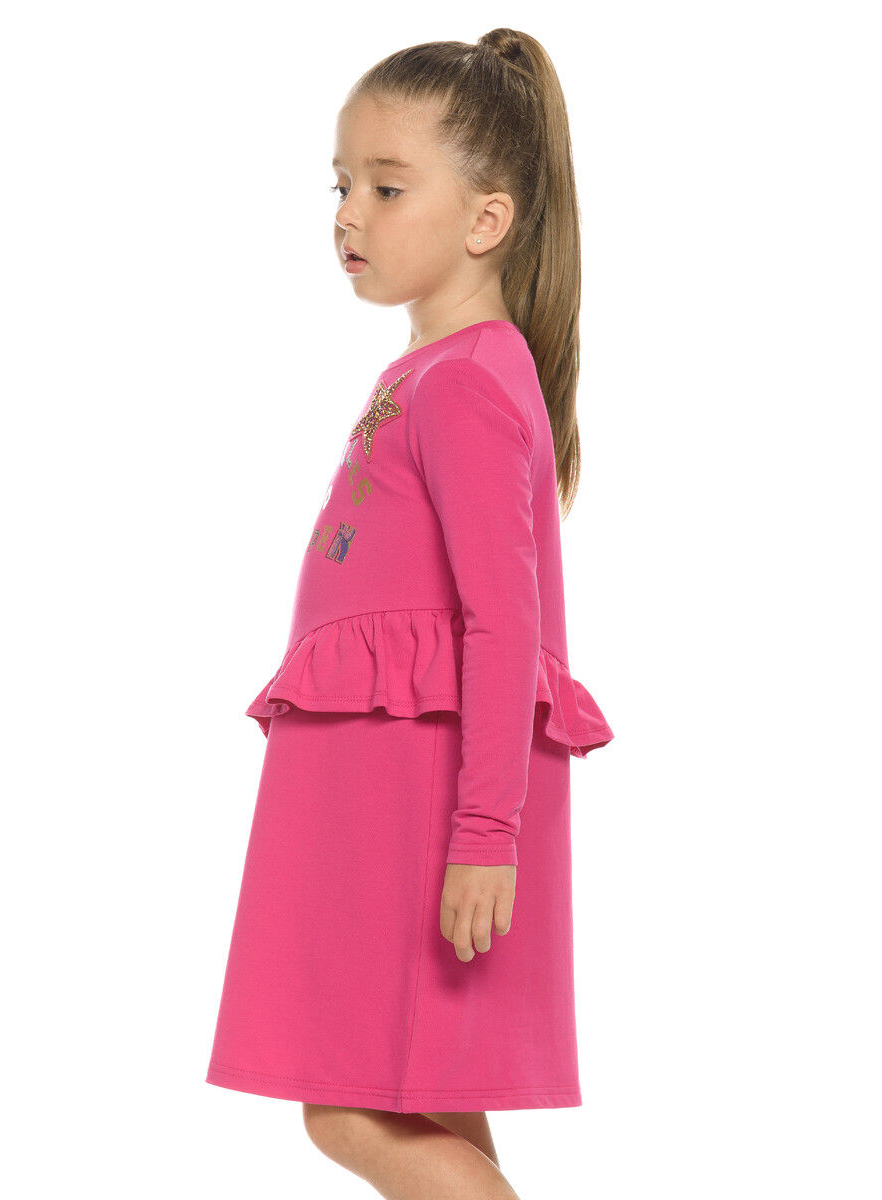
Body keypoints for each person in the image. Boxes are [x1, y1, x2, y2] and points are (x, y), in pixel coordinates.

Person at [205, 27, 615, 1200]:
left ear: (486, 220)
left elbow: (504, 622)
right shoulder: (432, 373)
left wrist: (484, 833)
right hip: (384, 785)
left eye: (387, 188)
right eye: (341, 185)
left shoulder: (468, 382)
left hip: (420, 794)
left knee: (345, 1110)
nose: (349, 215)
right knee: (427, 1094)